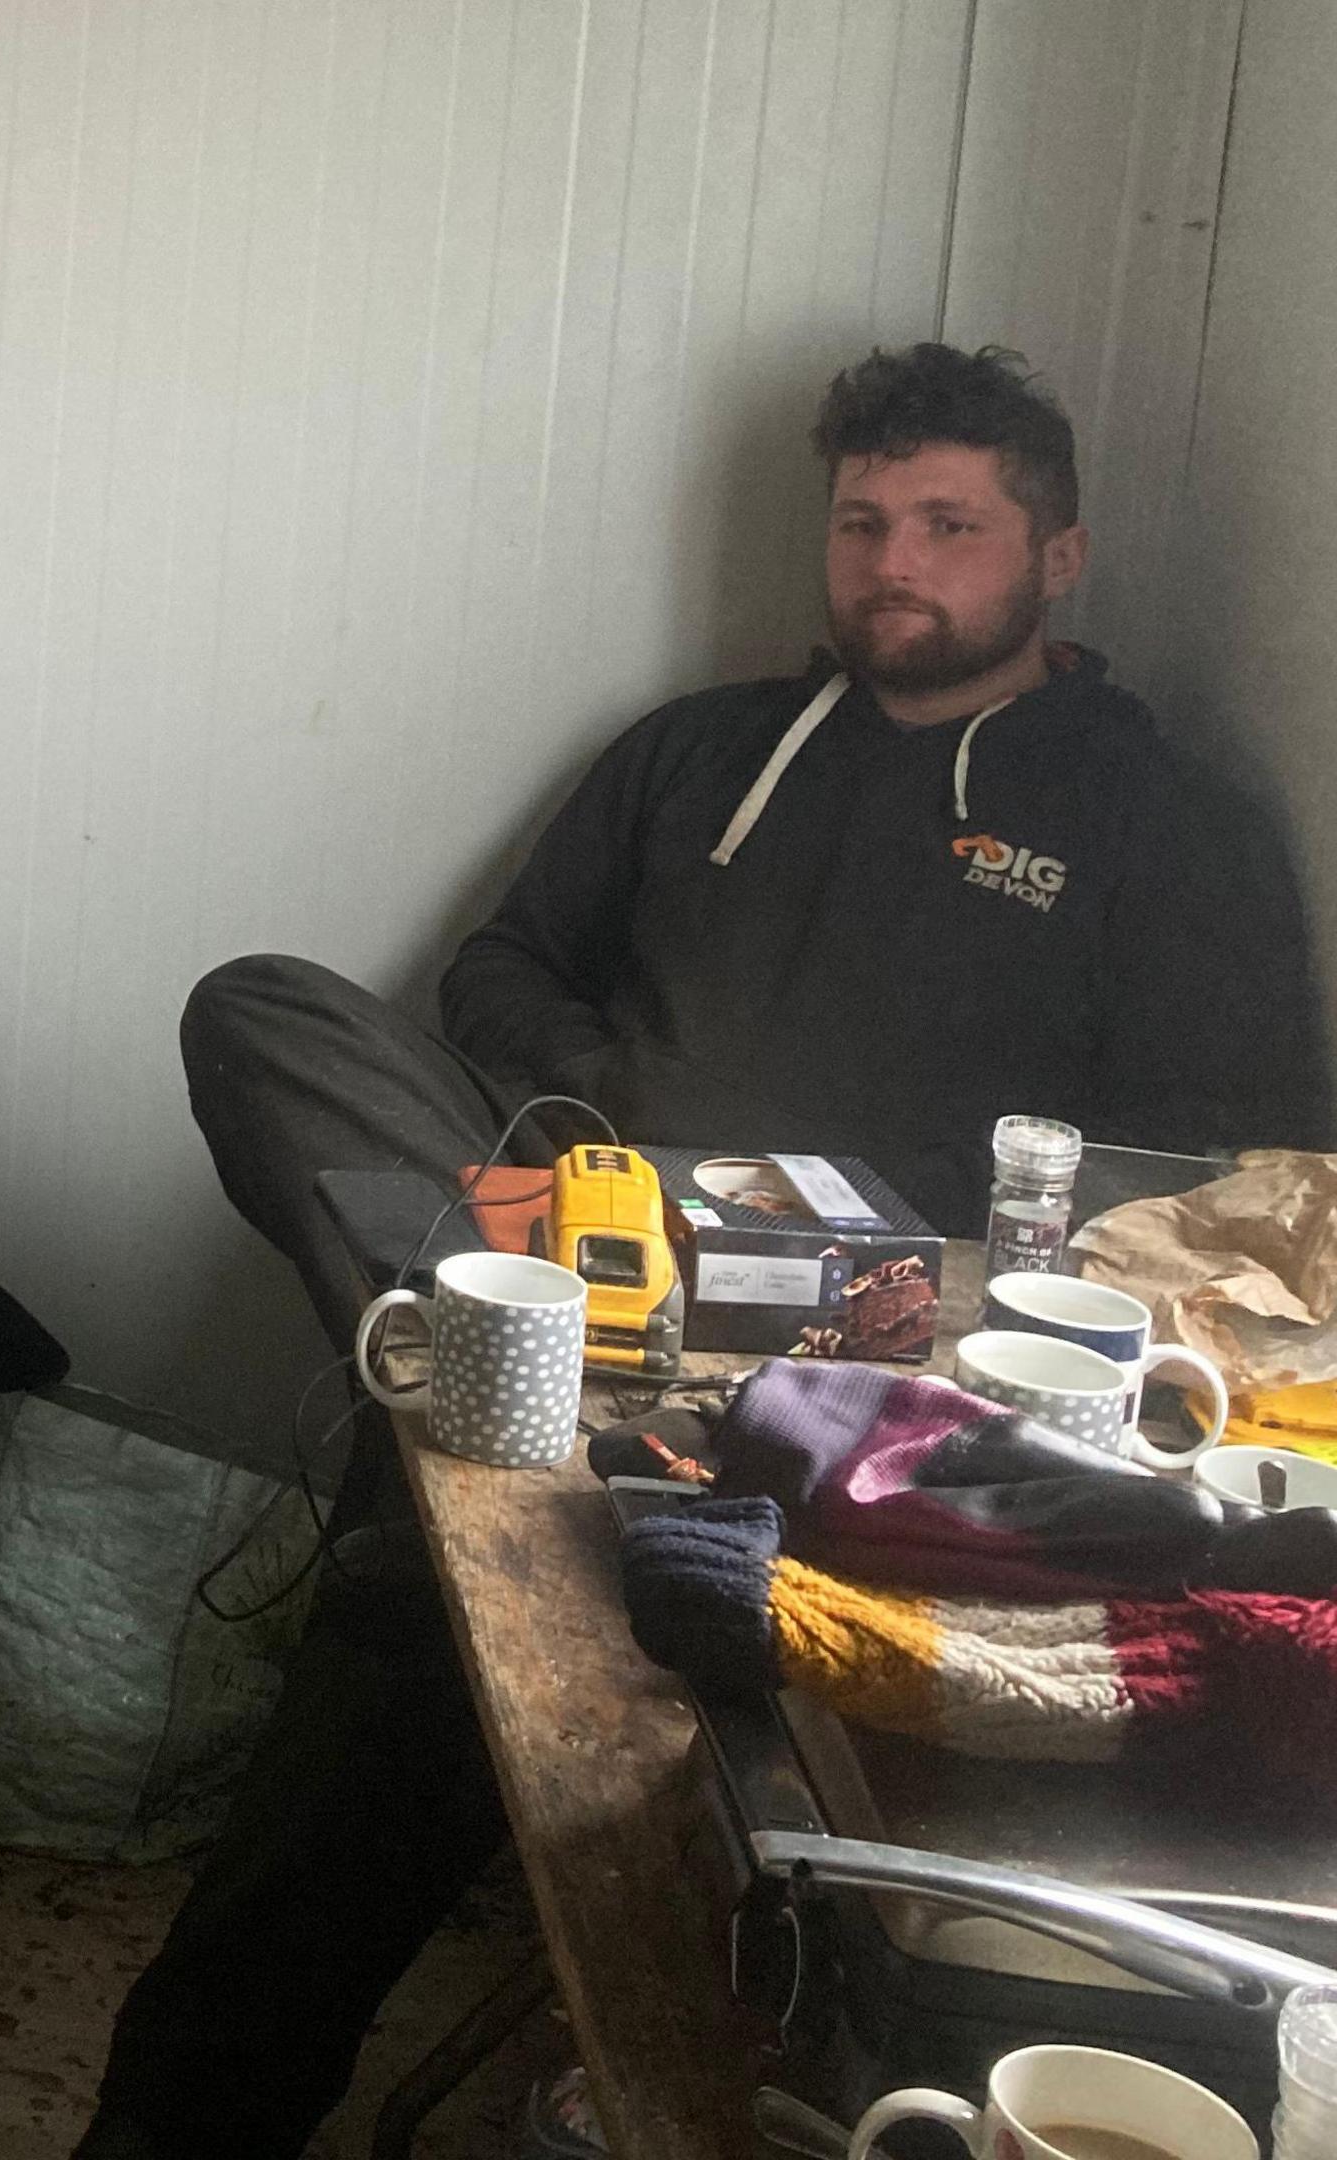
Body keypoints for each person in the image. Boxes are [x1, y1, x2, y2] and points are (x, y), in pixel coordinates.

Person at [76, 342, 1336, 2157]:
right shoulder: (700, 749)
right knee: (263, 1009)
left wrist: (890, 1231)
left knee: (399, 1630)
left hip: (872, 1343)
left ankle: (475, 1407)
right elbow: (498, 968)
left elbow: (1210, 1162)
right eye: (862, 521)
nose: (894, 562)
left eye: (951, 525)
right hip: (590, 1229)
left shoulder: (1162, 822)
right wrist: (613, 1124)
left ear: (1058, 556)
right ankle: (502, 1355)